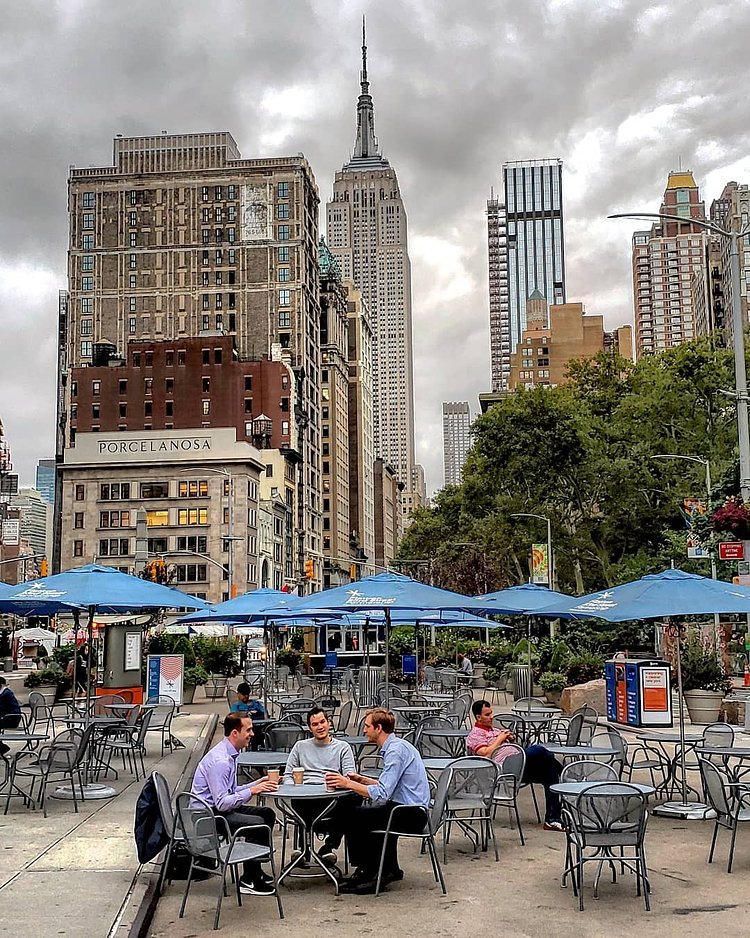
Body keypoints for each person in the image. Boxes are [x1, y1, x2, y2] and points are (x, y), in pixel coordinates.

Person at [325, 707, 430, 894]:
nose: (364, 730)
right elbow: (393, 785)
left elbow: (382, 793)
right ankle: (388, 868)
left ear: (378, 728)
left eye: (367, 726)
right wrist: (363, 780)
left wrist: (347, 783)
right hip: (411, 809)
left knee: (356, 816)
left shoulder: (394, 752)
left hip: (410, 814)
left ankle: (367, 871)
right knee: (369, 813)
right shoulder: (397, 746)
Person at [191, 712, 279, 895]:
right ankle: (249, 880)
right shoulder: (221, 761)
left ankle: (255, 870)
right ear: (234, 734)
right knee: (257, 825)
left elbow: (230, 792)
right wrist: (252, 791)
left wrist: (257, 784)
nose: (252, 734)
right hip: (206, 816)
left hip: (217, 809)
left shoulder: (231, 754)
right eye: (248, 730)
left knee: (267, 814)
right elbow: (223, 803)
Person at [466, 699, 564, 831]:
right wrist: (500, 739)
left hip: (518, 765)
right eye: (487, 715)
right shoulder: (474, 735)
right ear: (478, 717)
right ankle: (565, 773)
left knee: (550, 774)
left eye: (491, 713)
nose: (491, 717)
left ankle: (552, 820)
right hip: (503, 769)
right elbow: (485, 754)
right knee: (539, 750)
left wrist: (510, 739)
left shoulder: (495, 730)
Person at [282, 706, 358, 865]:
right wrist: (295, 788)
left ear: (329, 722)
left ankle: (329, 846)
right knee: (300, 801)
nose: (320, 726)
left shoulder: (342, 747)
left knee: (355, 798)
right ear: (310, 728)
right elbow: (288, 775)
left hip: (331, 797)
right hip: (304, 796)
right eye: (315, 724)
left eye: (322, 722)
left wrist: (340, 782)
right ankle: (304, 850)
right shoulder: (300, 746)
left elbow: (350, 777)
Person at [0, 676, 22, 757]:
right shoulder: (4, 693)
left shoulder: (6, 694)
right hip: (6, 717)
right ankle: (2, 748)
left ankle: (2, 749)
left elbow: (2, 708)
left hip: (11, 719)